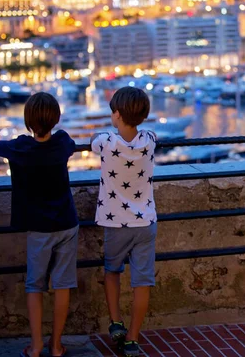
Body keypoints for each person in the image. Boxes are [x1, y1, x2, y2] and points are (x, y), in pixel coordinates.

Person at [0, 92, 78, 357]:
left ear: (28, 120)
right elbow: (69, 143)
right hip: (67, 222)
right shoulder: (62, 143)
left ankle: (36, 346)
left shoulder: (20, 148)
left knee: (34, 285)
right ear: (56, 118)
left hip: (39, 227)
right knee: (62, 285)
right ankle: (57, 345)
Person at [91, 86, 157, 357]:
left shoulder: (106, 141)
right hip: (146, 223)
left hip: (115, 221)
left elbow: (95, 142)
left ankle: (116, 321)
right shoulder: (150, 139)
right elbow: (150, 135)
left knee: (112, 271)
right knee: (142, 282)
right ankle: (132, 337)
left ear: (117, 114)